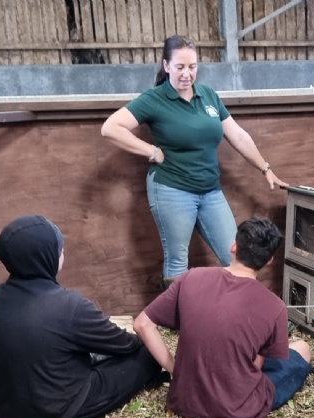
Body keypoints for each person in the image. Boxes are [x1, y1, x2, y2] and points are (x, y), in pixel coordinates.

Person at [101, 35, 288, 289]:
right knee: (178, 260)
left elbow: (238, 136)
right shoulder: (154, 99)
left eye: (192, 66)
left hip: (210, 191)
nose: (187, 74)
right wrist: (151, 151)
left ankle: (236, 310)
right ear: (166, 65)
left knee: (236, 255)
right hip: (172, 188)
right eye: (180, 67)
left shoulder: (208, 96)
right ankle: (177, 313)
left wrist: (265, 168)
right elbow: (111, 128)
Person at [0, 215, 165, 418]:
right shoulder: (69, 305)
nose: (62, 253)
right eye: (59, 249)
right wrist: (139, 341)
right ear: (46, 256)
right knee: (149, 354)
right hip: (54, 411)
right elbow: (126, 345)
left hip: (0, 410)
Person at [133, 216, 312, 418]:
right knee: (303, 348)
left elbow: (142, 324)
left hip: (183, 402)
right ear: (269, 260)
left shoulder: (191, 277)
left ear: (234, 247)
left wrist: (176, 371)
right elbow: (257, 365)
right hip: (240, 408)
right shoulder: (275, 306)